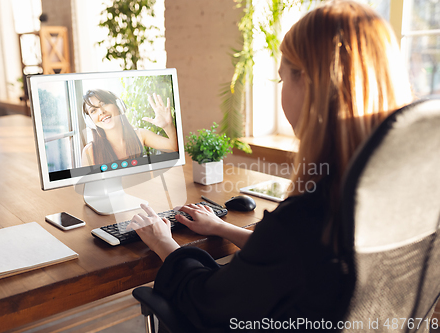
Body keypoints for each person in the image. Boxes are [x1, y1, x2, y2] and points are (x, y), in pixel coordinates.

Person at [128, 1, 413, 331]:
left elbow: (209, 304)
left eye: (282, 80)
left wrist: (164, 242)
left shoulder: (306, 216)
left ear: (308, 83)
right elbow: (292, 261)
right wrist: (222, 228)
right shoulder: (387, 194)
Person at [81, 89, 178, 166]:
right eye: (93, 110)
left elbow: (174, 148)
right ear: (90, 121)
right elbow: (87, 187)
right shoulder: (89, 151)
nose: (101, 111)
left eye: (104, 104)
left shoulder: (140, 135)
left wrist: (168, 126)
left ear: (119, 105)